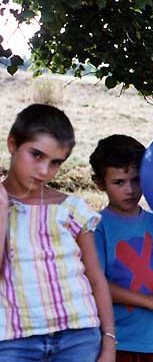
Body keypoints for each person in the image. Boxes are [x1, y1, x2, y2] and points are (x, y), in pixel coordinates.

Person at [0, 104, 115, 361]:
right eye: (36, 155)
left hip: (79, 336)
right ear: (12, 144)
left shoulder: (71, 208)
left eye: (55, 163)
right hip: (13, 340)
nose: (44, 171)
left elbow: (96, 277)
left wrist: (108, 341)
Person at [90, 134, 153, 362]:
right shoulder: (96, 227)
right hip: (113, 340)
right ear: (99, 183)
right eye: (119, 182)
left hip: (152, 339)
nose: (130, 189)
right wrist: (150, 301)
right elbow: (96, 285)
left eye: (136, 180)